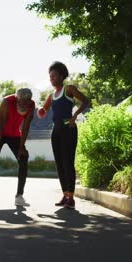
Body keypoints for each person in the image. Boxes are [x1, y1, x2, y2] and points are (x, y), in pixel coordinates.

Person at [37, 61, 88, 209]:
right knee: (59, 164)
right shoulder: (51, 95)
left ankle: (71, 198)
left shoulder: (69, 89)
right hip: (56, 131)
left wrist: (75, 115)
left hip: (68, 129)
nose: (51, 78)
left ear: (61, 76)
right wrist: (41, 110)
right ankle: (65, 194)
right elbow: (43, 110)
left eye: (54, 76)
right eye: (50, 76)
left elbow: (85, 101)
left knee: (67, 162)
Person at [0, 88, 35, 207]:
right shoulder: (7, 102)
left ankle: (19, 196)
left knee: (23, 158)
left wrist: (21, 147)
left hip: (15, 135)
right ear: (17, 99)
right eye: (22, 102)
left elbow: (26, 127)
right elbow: (1, 124)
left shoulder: (31, 105)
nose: (24, 104)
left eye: (27, 102)